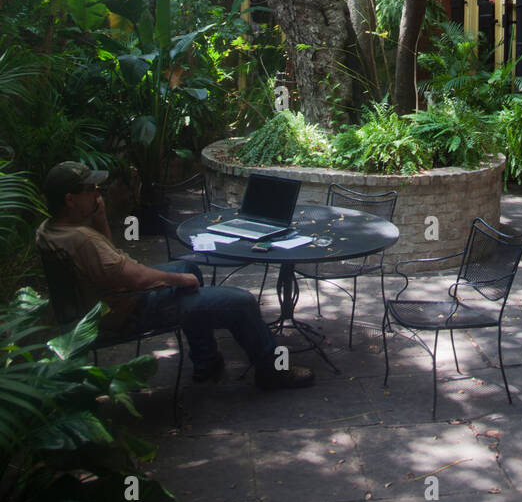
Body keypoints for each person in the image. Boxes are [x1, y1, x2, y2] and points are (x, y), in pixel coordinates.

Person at [36, 162, 314, 390]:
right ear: (70, 200)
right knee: (240, 301)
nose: (98, 193)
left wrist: (100, 221)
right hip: (130, 308)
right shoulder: (82, 240)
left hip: (102, 304)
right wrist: (179, 282)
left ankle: (206, 361)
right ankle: (271, 372)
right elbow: (136, 279)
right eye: (90, 189)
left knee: (188, 267)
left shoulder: (50, 231)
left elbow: (109, 264)